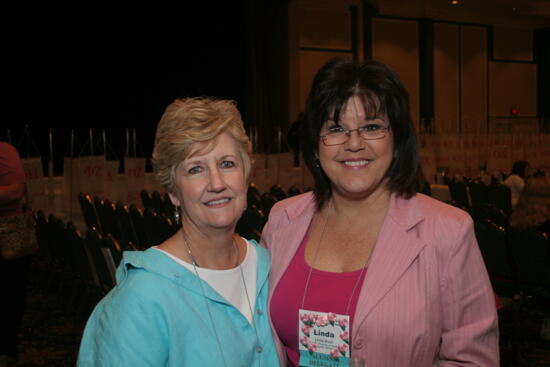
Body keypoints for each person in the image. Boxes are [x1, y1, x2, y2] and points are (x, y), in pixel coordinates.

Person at [262, 59, 499, 366]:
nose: (354, 144)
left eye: (371, 127)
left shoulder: (448, 231)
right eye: (336, 129)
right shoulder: (283, 220)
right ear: (315, 145)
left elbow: (473, 361)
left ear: (397, 138)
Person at [78, 97, 279, 366]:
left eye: (227, 164)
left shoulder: (270, 265)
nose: (216, 183)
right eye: (196, 169)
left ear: (246, 174)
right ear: (173, 192)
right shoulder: (142, 296)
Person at [0, 142, 32, 367]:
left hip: (6, 237)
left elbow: (15, 192)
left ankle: (5, 351)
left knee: (8, 296)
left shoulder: (4, 151)